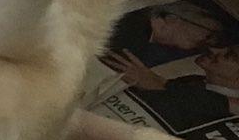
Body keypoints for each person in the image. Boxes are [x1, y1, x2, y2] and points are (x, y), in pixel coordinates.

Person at [100, 44, 239, 134]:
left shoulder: (228, 114)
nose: (214, 49)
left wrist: (158, 85)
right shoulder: (194, 81)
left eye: (229, 55)